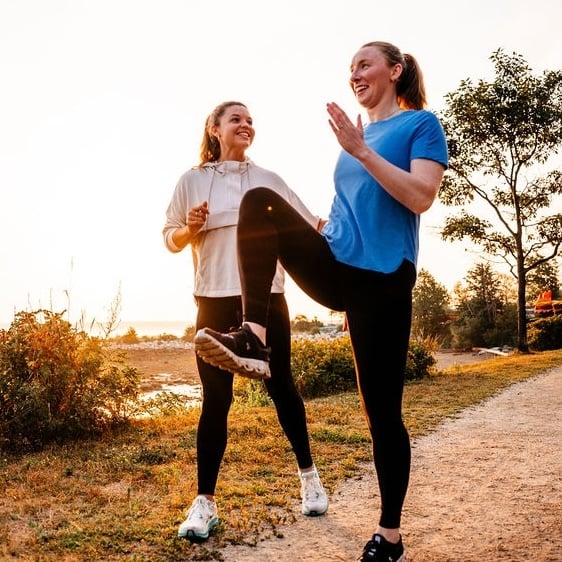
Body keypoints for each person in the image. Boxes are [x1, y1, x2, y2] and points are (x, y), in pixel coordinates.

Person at [194, 42, 448, 561]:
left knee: (382, 414)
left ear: (394, 71)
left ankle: (390, 535)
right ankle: (255, 337)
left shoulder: (419, 125)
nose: (354, 74)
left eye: (364, 64)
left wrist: (360, 150)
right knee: (259, 203)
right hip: (338, 266)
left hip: (382, 281)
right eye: (350, 68)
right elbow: (346, 208)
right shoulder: (355, 137)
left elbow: (421, 196)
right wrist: (322, 226)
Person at [163, 101, 329, 542]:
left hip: (266, 299)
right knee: (215, 400)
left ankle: (309, 478)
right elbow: (169, 238)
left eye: (251, 120)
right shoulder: (191, 181)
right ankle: (205, 504)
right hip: (212, 299)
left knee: (282, 386)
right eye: (236, 119)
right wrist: (189, 228)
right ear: (214, 129)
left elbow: (311, 228)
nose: (246, 125)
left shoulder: (269, 181)